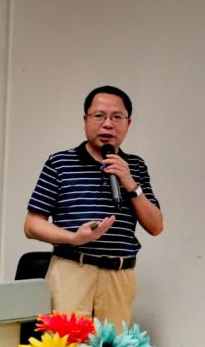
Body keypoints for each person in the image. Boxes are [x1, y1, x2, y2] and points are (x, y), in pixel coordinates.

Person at [24, 85, 164, 330]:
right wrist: (73, 238)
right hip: (71, 271)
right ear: (85, 120)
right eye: (99, 116)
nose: (108, 124)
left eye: (116, 117)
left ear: (128, 123)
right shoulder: (60, 163)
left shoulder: (135, 166)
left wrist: (130, 182)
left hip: (119, 275)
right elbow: (32, 225)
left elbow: (156, 226)